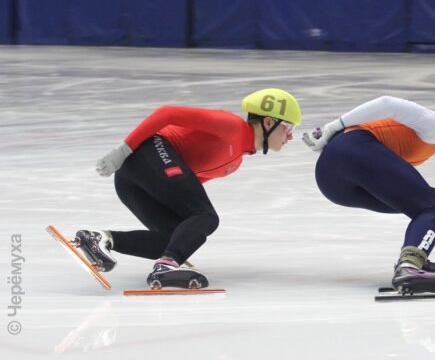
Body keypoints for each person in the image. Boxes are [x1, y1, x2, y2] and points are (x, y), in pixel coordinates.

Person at [75, 88, 302, 289]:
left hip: (134, 182)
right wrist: (123, 150)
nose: (290, 136)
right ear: (269, 122)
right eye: (288, 127)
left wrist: (186, 237)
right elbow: (168, 113)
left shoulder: (234, 163)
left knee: (174, 239)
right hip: (144, 154)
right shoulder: (231, 126)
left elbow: (182, 191)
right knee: (206, 217)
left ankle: (100, 239)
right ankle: (166, 266)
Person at [302, 82, 435, 293]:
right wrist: (332, 127)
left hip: (332, 178)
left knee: (421, 206)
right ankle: (409, 266)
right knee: (432, 206)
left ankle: (414, 258)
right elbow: (387, 103)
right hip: (352, 151)